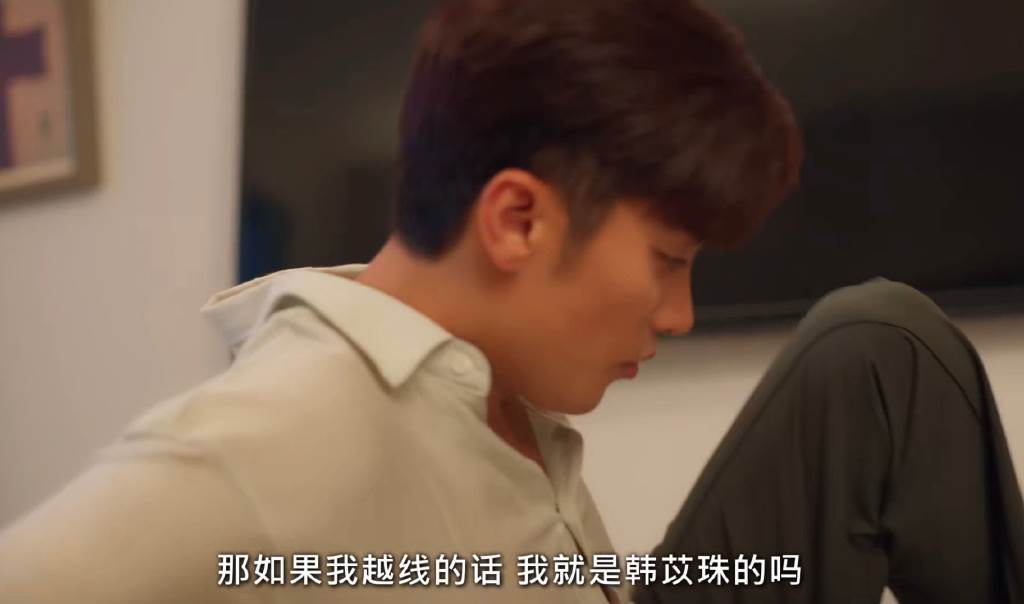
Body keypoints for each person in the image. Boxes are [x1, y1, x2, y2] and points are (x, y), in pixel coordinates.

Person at [7, 0, 1015, 602]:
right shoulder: (278, 434)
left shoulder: (498, 383)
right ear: (518, 220)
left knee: (875, 355)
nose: (677, 314)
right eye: (668, 260)